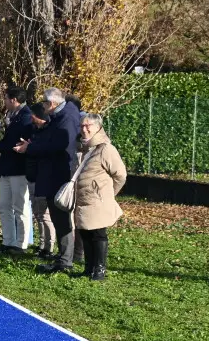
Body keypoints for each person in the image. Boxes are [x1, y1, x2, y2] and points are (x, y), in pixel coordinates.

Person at [14, 88, 80, 273]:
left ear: (51, 104)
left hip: (58, 175)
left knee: (61, 218)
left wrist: (31, 148)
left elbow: (58, 145)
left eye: (43, 103)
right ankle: (63, 257)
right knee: (58, 218)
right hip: (52, 174)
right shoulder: (60, 117)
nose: (42, 107)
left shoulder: (65, 119)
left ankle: (66, 260)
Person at [74, 113, 127, 281]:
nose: (84, 129)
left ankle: (100, 269)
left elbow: (120, 175)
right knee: (85, 233)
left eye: (88, 125)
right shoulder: (84, 148)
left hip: (97, 200)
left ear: (98, 127)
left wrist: (108, 194)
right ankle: (88, 267)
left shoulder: (105, 149)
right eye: (82, 126)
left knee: (98, 234)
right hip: (83, 199)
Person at [0, 87, 33, 255]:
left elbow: (18, 142)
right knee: (5, 206)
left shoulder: (26, 117)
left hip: (19, 169)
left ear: (14, 100)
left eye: (6, 98)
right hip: (7, 168)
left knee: (20, 207)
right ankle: (8, 241)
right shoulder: (12, 116)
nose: (5, 102)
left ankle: (21, 245)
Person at [25, 104, 56, 258]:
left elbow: (43, 151)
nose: (30, 117)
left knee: (45, 215)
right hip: (32, 176)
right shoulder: (34, 131)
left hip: (42, 178)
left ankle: (49, 247)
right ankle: (42, 244)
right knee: (37, 214)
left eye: (32, 115)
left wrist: (30, 148)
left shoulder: (48, 132)